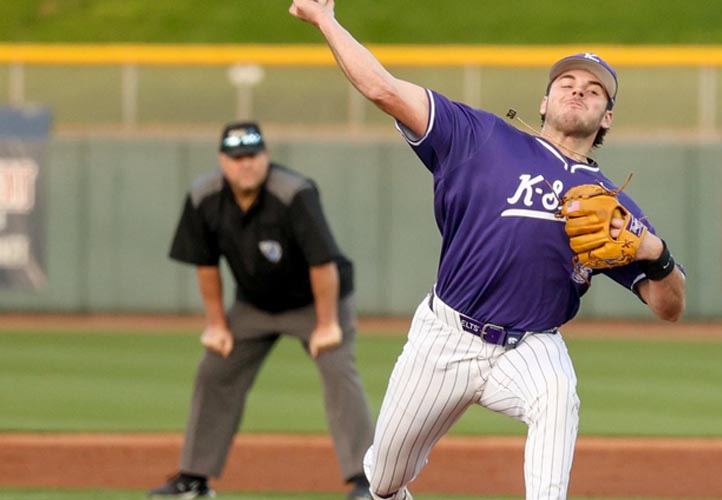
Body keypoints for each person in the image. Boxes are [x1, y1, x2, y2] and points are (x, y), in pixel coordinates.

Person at [289, 2, 686, 499]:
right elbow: (382, 88)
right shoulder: (480, 137)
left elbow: (669, 305)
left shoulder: (613, 208)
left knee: (558, 397)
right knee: (385, 481)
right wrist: (326, 21)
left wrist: (654, 250)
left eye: (593, 89)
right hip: (445, 336)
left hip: (531, 344)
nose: (578, 89)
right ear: (543, 102)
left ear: (606, 117)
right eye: (566, 82)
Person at [148, 121, 375, 499]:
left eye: (252, 155)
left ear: (266, 156)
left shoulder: (293, 193)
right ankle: (194, 478)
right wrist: (217, 325)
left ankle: (368, 481)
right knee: (215, 370)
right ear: (222, 161)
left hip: (316, 301)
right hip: (254, 304)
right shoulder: (204, 196)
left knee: (339, 373)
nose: (245, 164)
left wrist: (326, 324)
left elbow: (323, 263)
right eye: (236, 157)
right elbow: (206, 264)